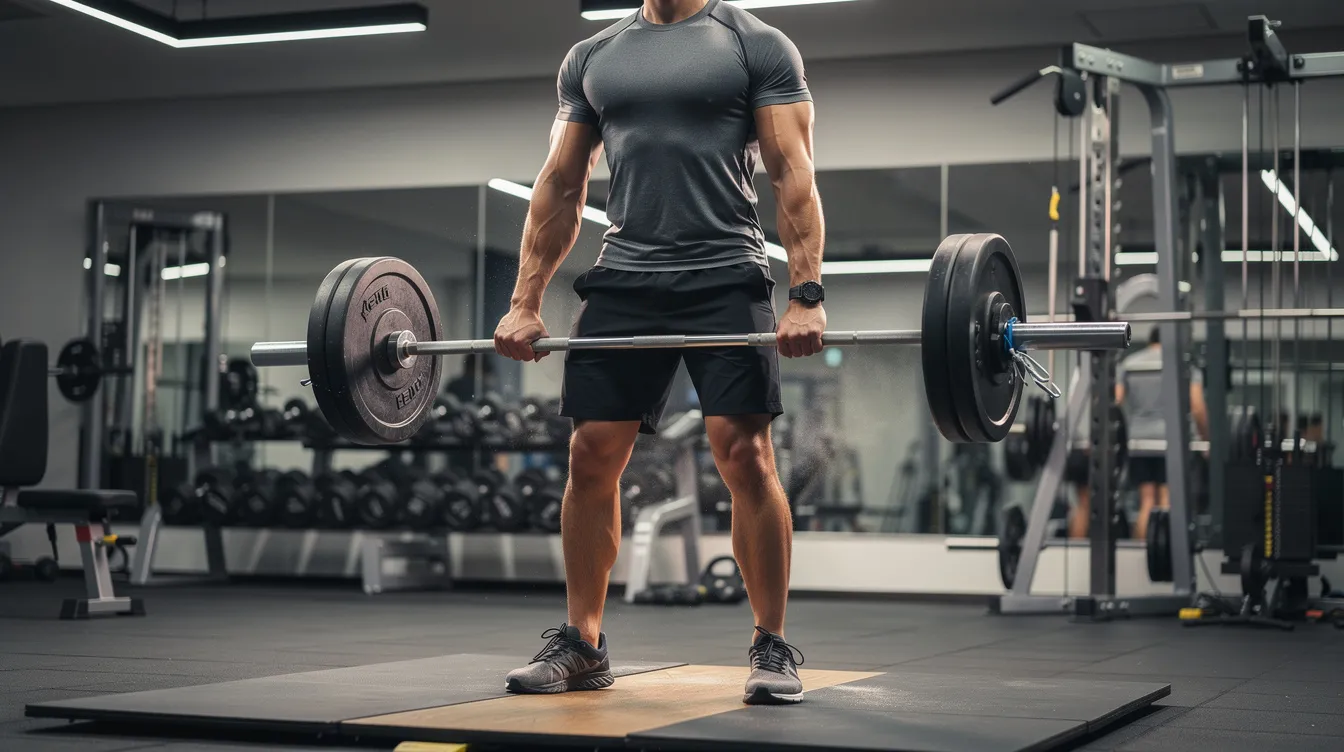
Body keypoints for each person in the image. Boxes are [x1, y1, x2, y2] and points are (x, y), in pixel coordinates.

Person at [492, 0, 824, 705]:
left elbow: (790, 170)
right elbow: (560, 183)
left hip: (726, 274)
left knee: (745, 454)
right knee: (589, 456)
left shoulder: (755, 44)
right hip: (625, 277)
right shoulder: (593, 57)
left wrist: (808, 292)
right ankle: (583, 644)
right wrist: (524, 302)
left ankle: (771, 644)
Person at [1117, 328, 1209, 540]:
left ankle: (1141, 555)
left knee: (1147, 500)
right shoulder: (1183, 364)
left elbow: (1117, 400)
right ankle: (1165, 555)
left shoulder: (1131, 364)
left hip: (1139, 439)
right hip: (1171, 439)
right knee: (1167, 498)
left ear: (1150, 341)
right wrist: (1206, 438)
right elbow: (1197, 407)